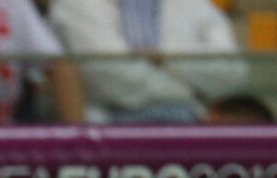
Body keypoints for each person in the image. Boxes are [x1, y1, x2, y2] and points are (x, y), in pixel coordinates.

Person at [48, 0, 246, 123]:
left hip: (190, 126)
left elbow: (231, 72)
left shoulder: (195, 4)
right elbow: (113, 79)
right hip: (108, 131)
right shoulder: (75, 4)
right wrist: (190, 91)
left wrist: (163, 56)